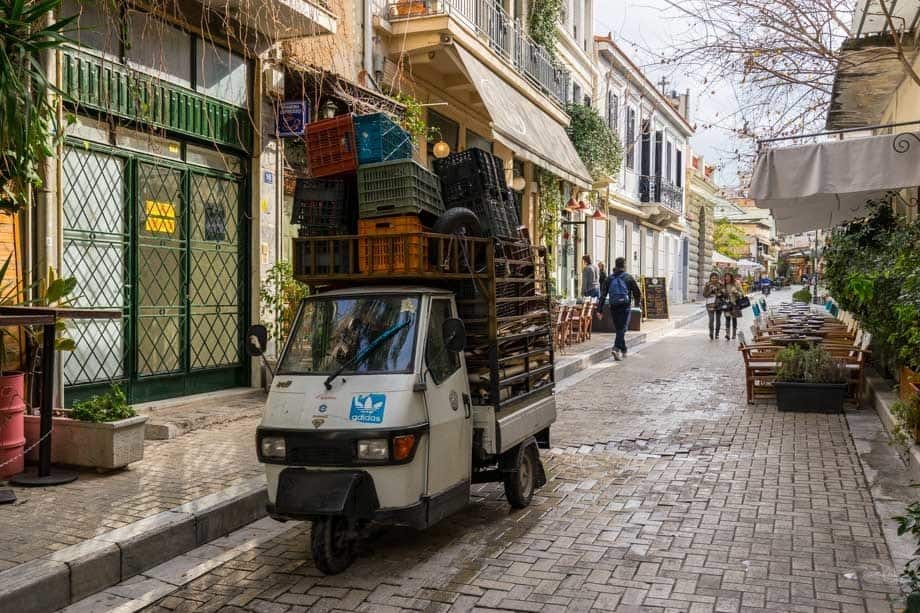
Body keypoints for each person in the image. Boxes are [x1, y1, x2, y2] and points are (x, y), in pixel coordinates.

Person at [596, 257, 642, 360]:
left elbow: (603, 295)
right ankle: (616, 348)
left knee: (619, 329)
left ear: (615, 265)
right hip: (625, 306)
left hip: (613, 306)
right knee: (623, 328)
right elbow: (637, 292)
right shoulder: (628, 277)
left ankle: (624, 349)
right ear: (624, 265)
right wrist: (637, 304)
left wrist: (599, 310)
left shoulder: (609, 278)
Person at [703, 272, 724, 341]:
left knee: (718, 320)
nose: (714, 279)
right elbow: (704, 295)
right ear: (710, 278)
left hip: (718, 304)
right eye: (712, 278)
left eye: (715, 278)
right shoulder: (707, 284)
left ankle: (717, 333)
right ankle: (711, 333)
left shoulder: (720, 284)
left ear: (718, 278)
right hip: (710, 304)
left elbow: (723, 294)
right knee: (711, 319)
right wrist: (710, 290)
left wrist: (717, 290)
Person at [722, 271, 743, 340]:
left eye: (728, 277)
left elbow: (742, 294)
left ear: (731, 277)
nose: (727, 278)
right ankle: (727, 334)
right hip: (727, 304)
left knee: (734, 319)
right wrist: (723, 293)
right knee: (727, 318)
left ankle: (734, 335)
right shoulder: (724, 284)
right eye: (726, 277)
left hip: (734, 304)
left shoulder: (736, 283)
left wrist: (736, 291)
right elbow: (721, 295)